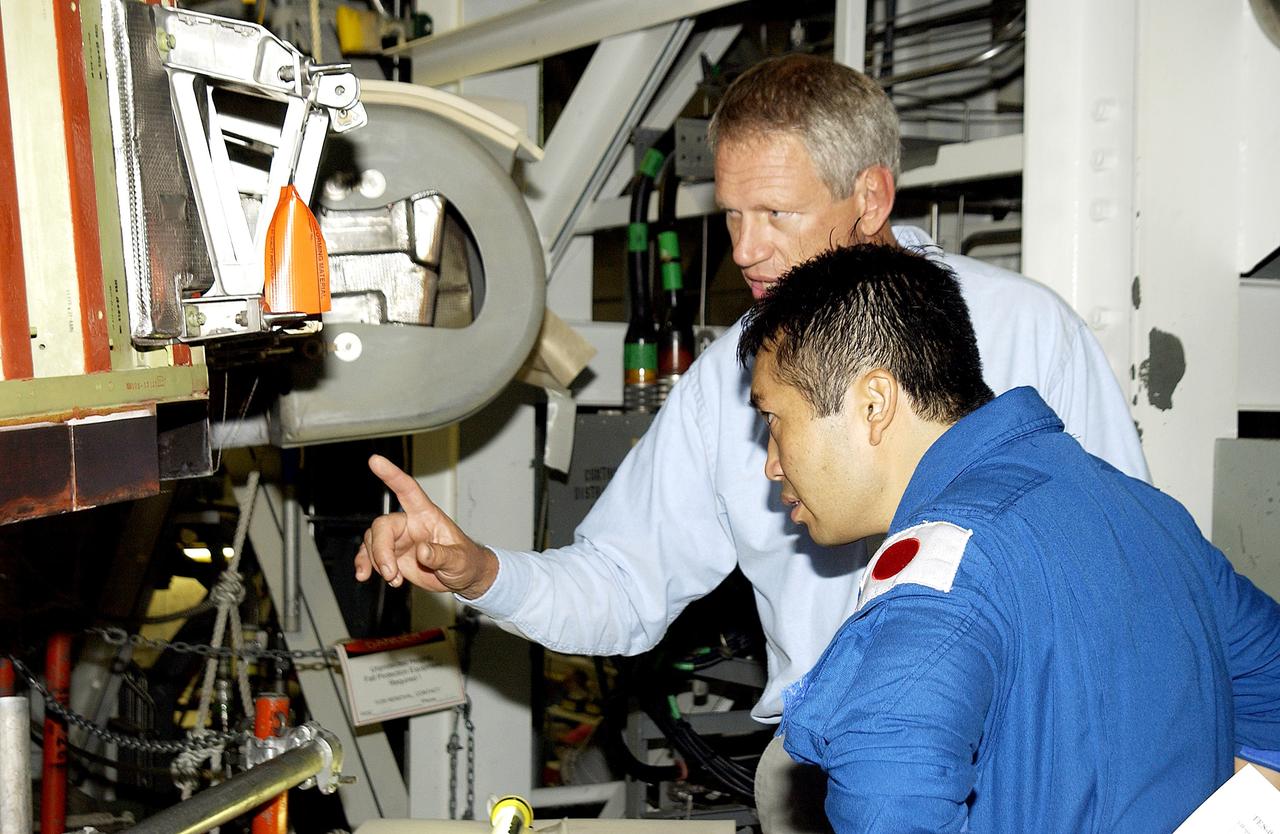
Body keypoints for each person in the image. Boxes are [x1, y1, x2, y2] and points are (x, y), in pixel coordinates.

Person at [354, 54, 1148, 832]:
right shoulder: (728, 382)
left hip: (1025, 768)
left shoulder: (1025, 333)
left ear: (869, 195)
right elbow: (625, 585)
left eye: (776, 213)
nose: (744, 249)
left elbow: (1127, 566)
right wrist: (480, 570)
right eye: (732, 214)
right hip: (821, 781)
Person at [739, 242, 1280, 833]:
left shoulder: (941, 571)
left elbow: (889, 807)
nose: (771, 463)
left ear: (874, 402)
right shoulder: (1146, 513)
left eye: (773, 420)